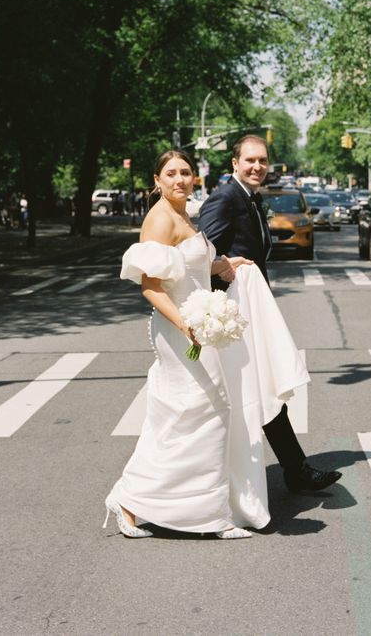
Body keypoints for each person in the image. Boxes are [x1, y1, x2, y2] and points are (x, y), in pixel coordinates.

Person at [104, 149, 257, 539]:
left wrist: (223, 265)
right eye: (170, 173)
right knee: (206, 409)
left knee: (192, 414)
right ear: (156, 180)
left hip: (197, 323)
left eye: (185, 173)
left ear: (195, 178)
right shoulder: (158, 219)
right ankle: (140, 501)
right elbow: (151, 286)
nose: (179, 180)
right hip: (179, 328)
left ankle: (190, 509)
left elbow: (187, 266)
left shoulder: (185, 215)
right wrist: (187, 325)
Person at [198, 134, 342, 494]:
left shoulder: (248, 198)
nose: (257, 167)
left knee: (263, 390)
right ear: (234, 163)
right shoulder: (225, 198)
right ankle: (219, 477)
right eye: (250, 161)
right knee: (249, 392)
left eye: (262, 161)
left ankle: (294, 470)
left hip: (246, 311)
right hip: (230, 315)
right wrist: (224, 265)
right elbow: (201, 255)